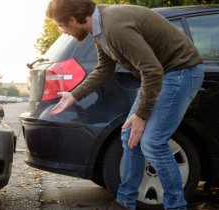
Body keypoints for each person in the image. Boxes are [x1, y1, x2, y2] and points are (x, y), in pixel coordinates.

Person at [46, 0, 204, 210]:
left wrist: (141, 115)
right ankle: (125, 203)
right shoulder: (99, 28)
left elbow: (151, 70)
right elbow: (104, 68)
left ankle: (176, 206)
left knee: (152, 143)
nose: (63, 31)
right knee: (130, 136)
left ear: (74, 18)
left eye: (61, 25)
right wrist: (74, 96)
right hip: (162, 76)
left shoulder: (115, 27)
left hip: (180, 72)